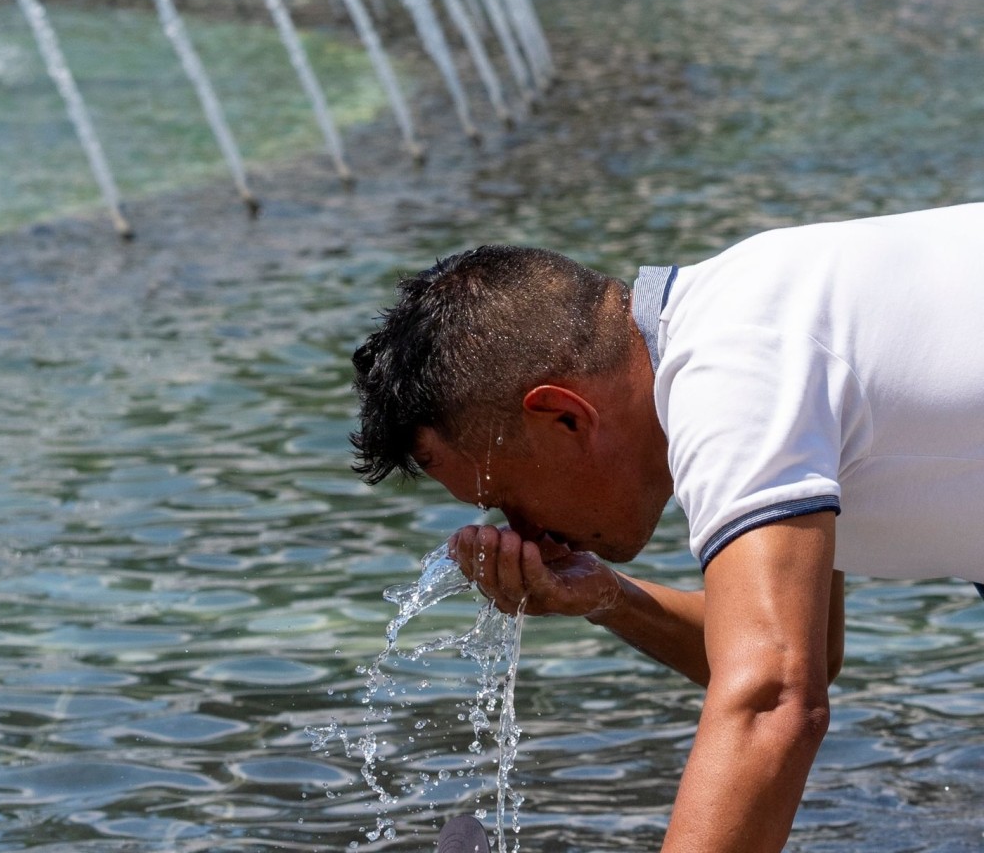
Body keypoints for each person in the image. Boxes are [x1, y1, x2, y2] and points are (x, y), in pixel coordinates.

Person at [350, 205, 984, 853]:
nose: (524, 532)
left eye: (508, 497)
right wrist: (605, 597)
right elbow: (808, 653)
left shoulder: (735, 370)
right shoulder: (743, 332)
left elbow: (774, 701)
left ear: (564, 417)